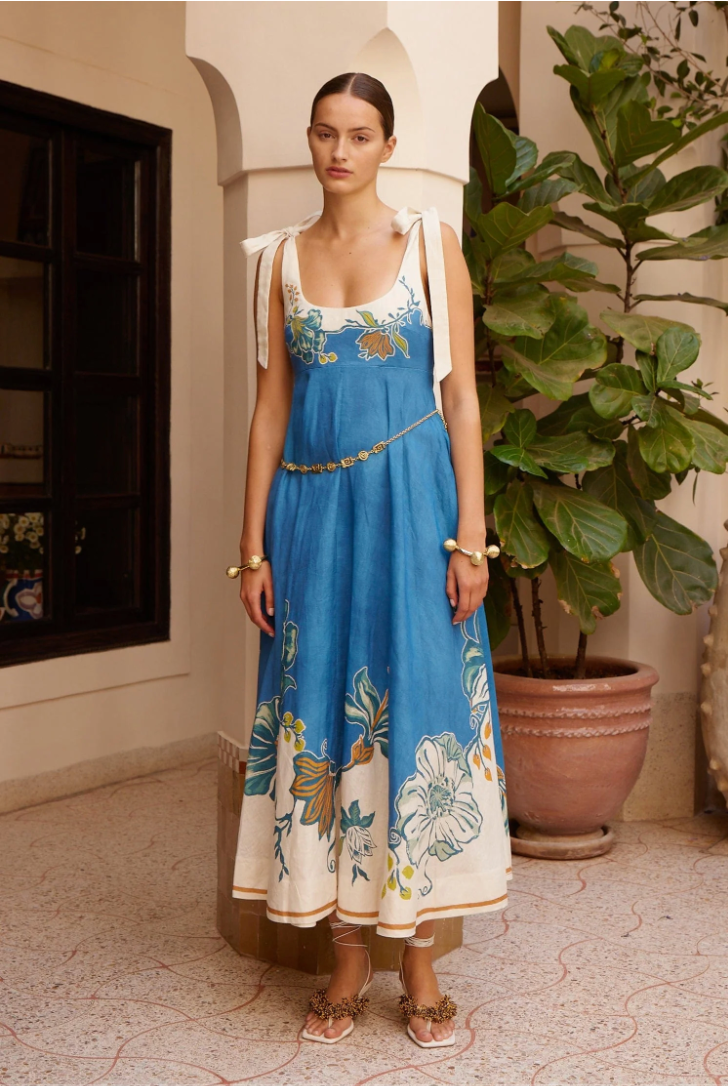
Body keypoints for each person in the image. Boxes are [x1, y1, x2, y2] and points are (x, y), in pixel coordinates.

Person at [229, 72, 511, 1049]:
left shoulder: (430, 245)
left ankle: (420, 961)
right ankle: (347, 958)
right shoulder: (277, 261)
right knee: (322, 714)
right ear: (309, 140)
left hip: (412, 510)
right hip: (312, 514)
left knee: (416, 709)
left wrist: (469, 538)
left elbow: (461, 400)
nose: (338, 151)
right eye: (324, 133)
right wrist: (251, 545)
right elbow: (270, 406)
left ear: (388, 145)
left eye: (358, 134)